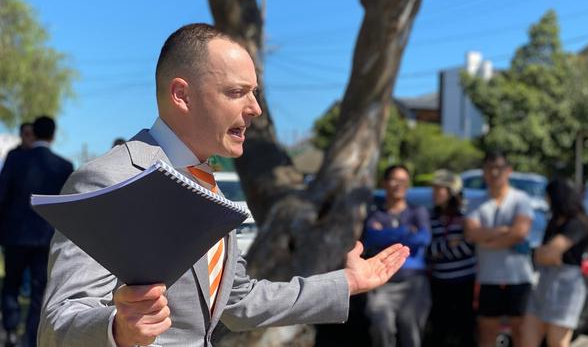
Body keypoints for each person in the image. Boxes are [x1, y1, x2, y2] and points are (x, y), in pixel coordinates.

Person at [38, 23, 410, 347]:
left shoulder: (206, 183)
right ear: (181, 95)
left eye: (255, 93)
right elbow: (59, 325)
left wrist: (345, 283)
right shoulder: (110, 179)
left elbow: (238, 299)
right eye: (236, 92)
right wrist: (118, 330)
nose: (255, 108)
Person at [0, 116, 73, 347]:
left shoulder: (15, 159)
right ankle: (30, 338)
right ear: (52, 135)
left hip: (14, 235)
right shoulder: (64, 166)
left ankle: (10, 330)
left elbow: (2, 195)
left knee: (11, 284)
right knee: (40, 290)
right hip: (46, 238)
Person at [464, 151, 534, 347]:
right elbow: (471, 233)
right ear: (484, 172)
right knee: (487, 333)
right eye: (489, 168)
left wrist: (489, 241)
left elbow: (520, 232)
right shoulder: (476, 202)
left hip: (519, 277)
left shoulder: (521, 199)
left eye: (499, 168)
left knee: (521, 332)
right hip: (488, 278)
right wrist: (504, 231)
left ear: (508, 171)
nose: (494, 173)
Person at [362, 165, 431, 347]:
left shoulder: (418, 212)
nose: (398, 185)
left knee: (411, 330)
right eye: (394, 180)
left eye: (403, 181)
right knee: (381, 328)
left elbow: (423, 238)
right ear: (384, 183)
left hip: (414, 282)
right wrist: (406, 232)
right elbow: (370, 238)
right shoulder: (375, 214)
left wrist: (386, 234)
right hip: (382, 283)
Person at [522, 178, 588, 347]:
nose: (546, 200)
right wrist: (547, 254)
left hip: (566, 287)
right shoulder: (554, 220)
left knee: (557, 341)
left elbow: (549, 253)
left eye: (548, 196)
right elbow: (543, 255)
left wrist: (547, 254)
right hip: (544, 281)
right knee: (528, 337)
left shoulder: (577, 222)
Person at [427, 169, 476, 347]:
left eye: (438, 189)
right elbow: (428, 250)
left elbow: (470, 247)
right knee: (439, 330)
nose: (434, 193)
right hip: (439, 282)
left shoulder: (464, 217)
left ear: (450, 192)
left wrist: (442, 250)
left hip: (465, 281)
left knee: (465, 330)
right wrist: (450, 244)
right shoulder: (430, 217)